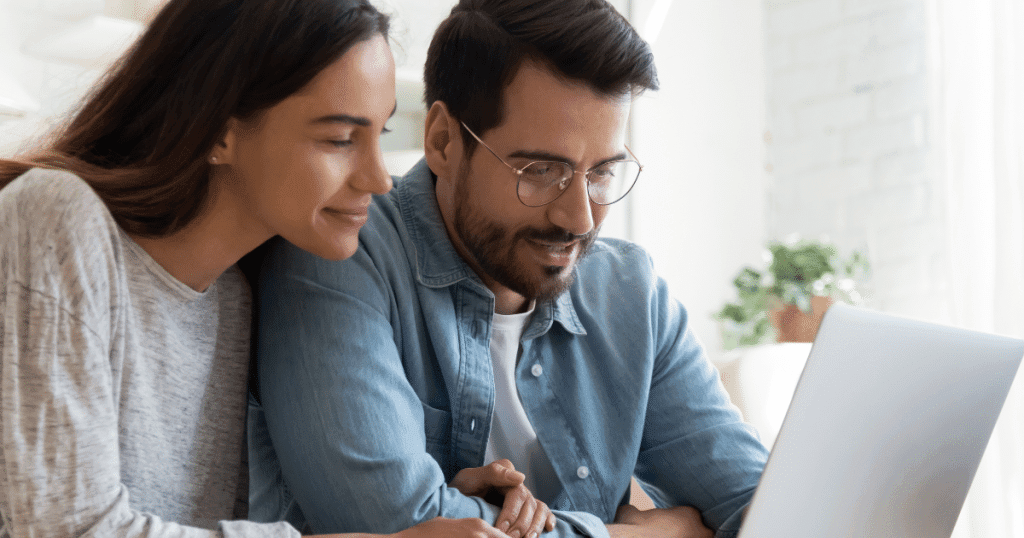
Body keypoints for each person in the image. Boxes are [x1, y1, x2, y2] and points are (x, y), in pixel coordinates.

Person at [0, 0, 553, 537]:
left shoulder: (231, 299)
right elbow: (63, 527)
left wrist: (444, 507)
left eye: (377, 136)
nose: (380, 179)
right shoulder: (57, 219)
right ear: (219, 130)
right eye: (340, 138)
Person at [250, 0, 770, 537]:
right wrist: (653, 534)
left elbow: (765, 505)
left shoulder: (631, 294)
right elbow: (393, 522)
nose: (580, 217)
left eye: (602, 173)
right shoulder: (339, 256)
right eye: (541, 171)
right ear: (443, 142)